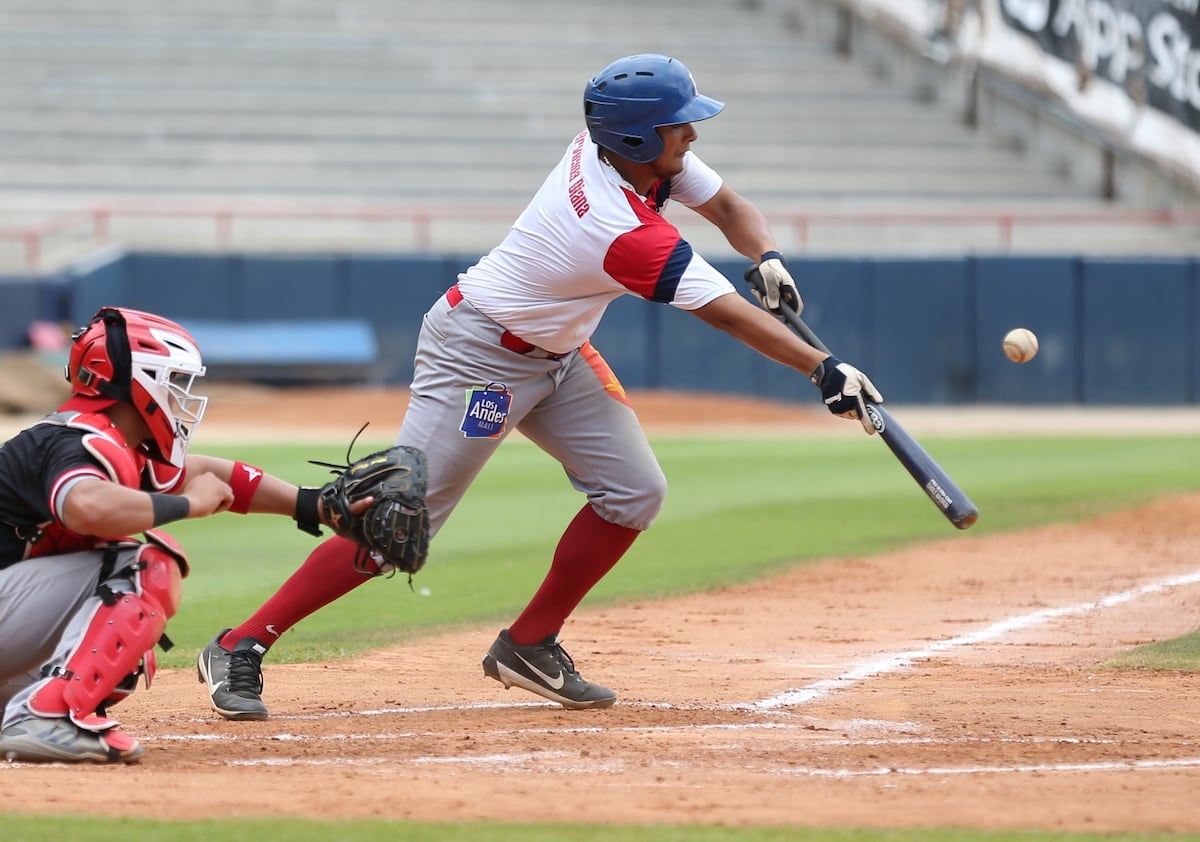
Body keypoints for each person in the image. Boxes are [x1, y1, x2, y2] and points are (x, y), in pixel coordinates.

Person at [198, 53, 882, 718]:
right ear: (641, 136)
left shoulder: (625, 149)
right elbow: (725, 314)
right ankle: (239, 644)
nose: (694, 134)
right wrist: (821, 369)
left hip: (561, 353)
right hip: (478, 359)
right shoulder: (621, 230)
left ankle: (528, 644)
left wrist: (766, 257)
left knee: (635, 492)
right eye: (682, 124)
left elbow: (729, 204)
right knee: (395, 523)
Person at [0, 306, 366, 764]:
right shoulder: (82, 441)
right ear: (138, 381)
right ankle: (49, 716)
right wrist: (189, 506)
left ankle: (27, 714)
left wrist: (313, 505)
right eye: (172, 382)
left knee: (121, 658)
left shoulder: (107, 442)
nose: (180, 398)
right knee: (140, 567)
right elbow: (86, 505)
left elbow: (216, 474)